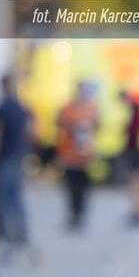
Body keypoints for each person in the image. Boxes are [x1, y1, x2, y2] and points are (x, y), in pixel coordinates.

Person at [0, 74, 35, 259]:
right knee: (15, 197)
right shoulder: (22, 108)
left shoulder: (2, 109)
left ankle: (5, 234)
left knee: (3, 198)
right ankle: (21, 232)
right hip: (17, 157)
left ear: (3, 87)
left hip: (5, 158)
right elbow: (30, 133)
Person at [55, 81, 99, 231]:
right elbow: (60, 128)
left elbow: (97, 128)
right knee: (71, 187)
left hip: (85, 156)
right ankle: (73, 214)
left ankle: (80, 214)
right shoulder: (67, 109)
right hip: (70, 155)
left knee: (83, 188)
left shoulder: (91, 109)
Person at [119, 89, 139, 228]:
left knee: (136, 182)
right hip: (136, 150)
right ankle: (137, 211)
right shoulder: (135, 110)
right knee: (137, 182)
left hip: (136, 151)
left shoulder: (135, 111)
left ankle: (138, 211)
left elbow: (134, 133)